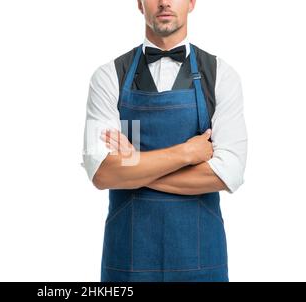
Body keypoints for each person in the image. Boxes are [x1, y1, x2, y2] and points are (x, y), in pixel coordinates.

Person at [82, 0, 248, 282]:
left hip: (201, 262)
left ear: (192, 2)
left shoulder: (222, 75)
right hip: (128, 262)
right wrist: (187, 153)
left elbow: (228, 173)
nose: (164, 2)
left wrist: (134, 170)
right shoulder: (107, 76)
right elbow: (101, 173)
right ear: (139, 4)